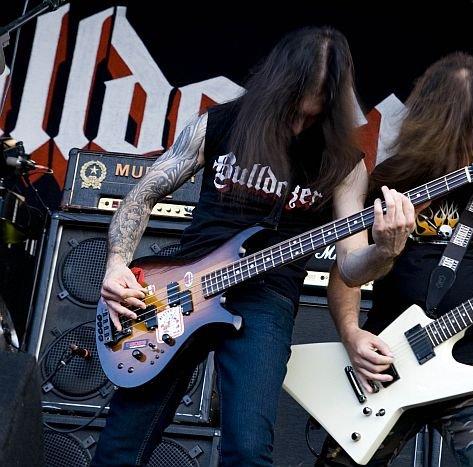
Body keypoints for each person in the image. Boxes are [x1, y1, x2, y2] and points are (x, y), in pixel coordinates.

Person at [92, 27, 414, 467]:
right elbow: (143, 195)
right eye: (298, 99)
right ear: (280, 81)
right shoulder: (221, 123)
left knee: (248, 448)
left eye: (318, 103)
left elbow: (351, 266)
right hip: (178, 288)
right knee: (124, 439)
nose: (302, 117)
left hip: (266, 298)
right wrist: (116, 264)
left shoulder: (343, 164)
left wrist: (385, 250)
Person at [320, 52, 473, 466]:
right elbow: (345, 272)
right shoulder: (396, 180)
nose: (464, 142)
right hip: (385, 364)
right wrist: (351, 334)